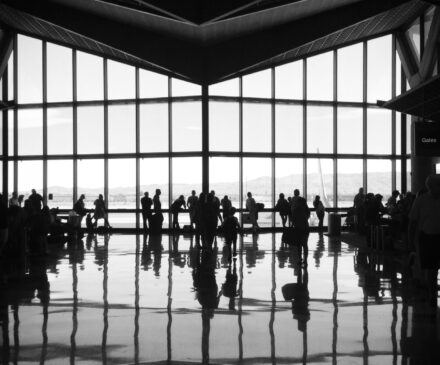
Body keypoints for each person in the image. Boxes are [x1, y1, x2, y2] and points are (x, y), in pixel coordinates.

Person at [409, 174, 440, 311]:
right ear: (430, 186)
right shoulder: (421, 201)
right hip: (427, 237)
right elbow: (413, 222)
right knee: (431, 268)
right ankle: (432, 295)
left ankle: (431, 292)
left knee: (433, 268)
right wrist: (410, 241)